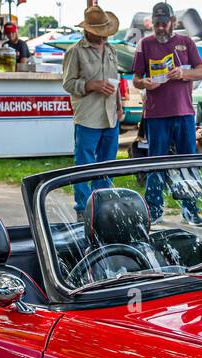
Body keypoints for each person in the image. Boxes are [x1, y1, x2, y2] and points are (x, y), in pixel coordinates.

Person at [132, 2, 202, 224]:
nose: (160, 28)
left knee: (188, 162)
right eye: (156, 24)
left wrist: (183, 74)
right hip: (156, 115)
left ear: (173, 22)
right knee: (155, 162)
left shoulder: (186, 42)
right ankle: (154, 209)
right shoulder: (144, 44)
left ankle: (190, 209)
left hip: (183, 112)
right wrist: (143, 82)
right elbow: (135, 79)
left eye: (164, 24)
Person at [62, 5, 122, 213]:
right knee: (84, 164)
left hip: (111, 116)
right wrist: (91, 85)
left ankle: (102, 206)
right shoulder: (75, 52)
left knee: (108, 164)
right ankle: (82, 208)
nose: (103, 38)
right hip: (88, 116)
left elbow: (116, 81)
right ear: (87, 30)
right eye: (99, 34)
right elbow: (68, 84)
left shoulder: (112, 50)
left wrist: (119, 106)